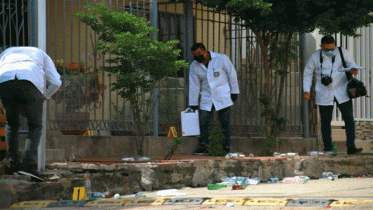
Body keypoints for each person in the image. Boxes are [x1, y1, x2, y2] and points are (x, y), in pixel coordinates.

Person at [0, 46, 61, 181]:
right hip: (30, 83)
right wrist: (45, 96)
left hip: (5, 83)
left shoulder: (6, 53)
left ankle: (14, 163)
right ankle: (28, 165)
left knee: (12, 124)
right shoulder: (41, 54)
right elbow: (56, 81)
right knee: (35, 125)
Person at [303, 35, 363, 155]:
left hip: (342, 91)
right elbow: (308, 73)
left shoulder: (342, 52)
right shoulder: (315, 57)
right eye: (327, 49)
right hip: (324, 92)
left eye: (332, 48)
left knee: (349, 119)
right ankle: (328, 147)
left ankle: (351, 146)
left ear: (334, 45)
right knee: (325, 121)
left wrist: (354, 70)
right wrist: (306, 90)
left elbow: (352, 65)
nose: (330, 51)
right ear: (321, 46)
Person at [189, 43, 239, 154]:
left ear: (205, 51)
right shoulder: (194, 66)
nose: (197, 56)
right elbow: (194, 85)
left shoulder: (221, 58)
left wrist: (234, 91)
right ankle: (204, 145)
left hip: (222, 94)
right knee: (204, 121)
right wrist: (193, 103)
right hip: (206, 96)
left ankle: (226, 146)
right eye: (195, 55)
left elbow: (232, 74)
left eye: (199, 54)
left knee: (225, 122)